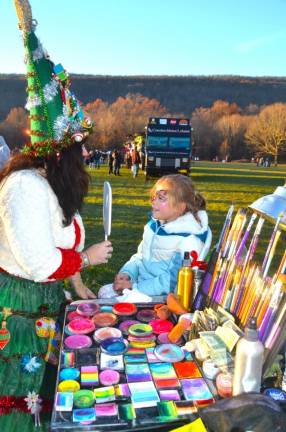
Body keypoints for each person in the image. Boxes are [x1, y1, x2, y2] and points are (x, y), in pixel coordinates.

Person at [0, 3, 112, 430]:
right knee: (18, 405)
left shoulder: (55, 184)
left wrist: (80, 287)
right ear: (61, 149)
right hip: (21, 311)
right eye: (80, 144)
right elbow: (41, 263)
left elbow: (66, 245)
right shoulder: (25, 186)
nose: (85, 152)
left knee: (48, 400)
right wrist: (87, 261)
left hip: (49, 306)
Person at [99, 174, 210, 299]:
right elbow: (140, 256)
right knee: (104, 292)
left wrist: (133, 288)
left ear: (180, 207)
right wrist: (127, 273)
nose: (153, 202)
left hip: (161, 297)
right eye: (154, 197)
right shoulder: (154, 226)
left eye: (161, 198)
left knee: (107, 300)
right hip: (139, 285)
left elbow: (172, 281)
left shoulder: (189, 240)